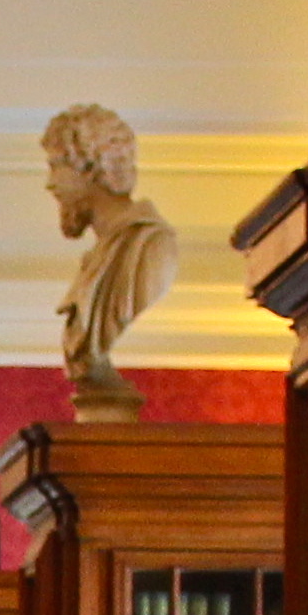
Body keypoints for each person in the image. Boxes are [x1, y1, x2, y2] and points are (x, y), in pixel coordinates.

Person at [41, 106, 177, 422]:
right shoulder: (98, 258)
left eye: (57, 166)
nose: (50, 184)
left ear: (91, 168)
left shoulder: (149, 248)